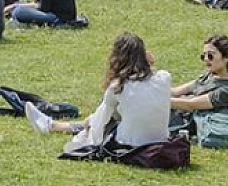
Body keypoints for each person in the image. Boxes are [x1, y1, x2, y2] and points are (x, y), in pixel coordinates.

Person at [25, 33, 172, 149]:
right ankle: (52, 125)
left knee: (100, 119)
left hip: (131, 144)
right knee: (109, 114)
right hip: (160, 139)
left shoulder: (118, 87)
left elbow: (99, 123)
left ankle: (52, 126)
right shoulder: (165, 77)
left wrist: (87, 126)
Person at [169, 35, 228, 129]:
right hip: (176, 111)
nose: (205, 59)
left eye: (210, 55)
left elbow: (190, 105)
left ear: (226, 57)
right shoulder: (209, 75)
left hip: (185, 121)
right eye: (203, 56)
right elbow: (176, 91)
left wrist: (158, 100)